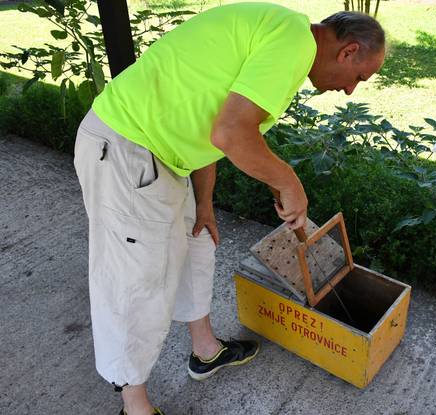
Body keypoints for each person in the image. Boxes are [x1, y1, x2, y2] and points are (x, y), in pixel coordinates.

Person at [73, 3, 385, 414]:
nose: (350, 90)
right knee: (135, 283)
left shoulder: (285, 36)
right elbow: (231, 131)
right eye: (359, 78)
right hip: (126, 150)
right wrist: (288, 181)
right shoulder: (292, 42)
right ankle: (134, 405)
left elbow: (211, 115)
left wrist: (204, 202)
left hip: (160, 154)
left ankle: (205, 351)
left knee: (197, 243)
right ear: (348, 51)